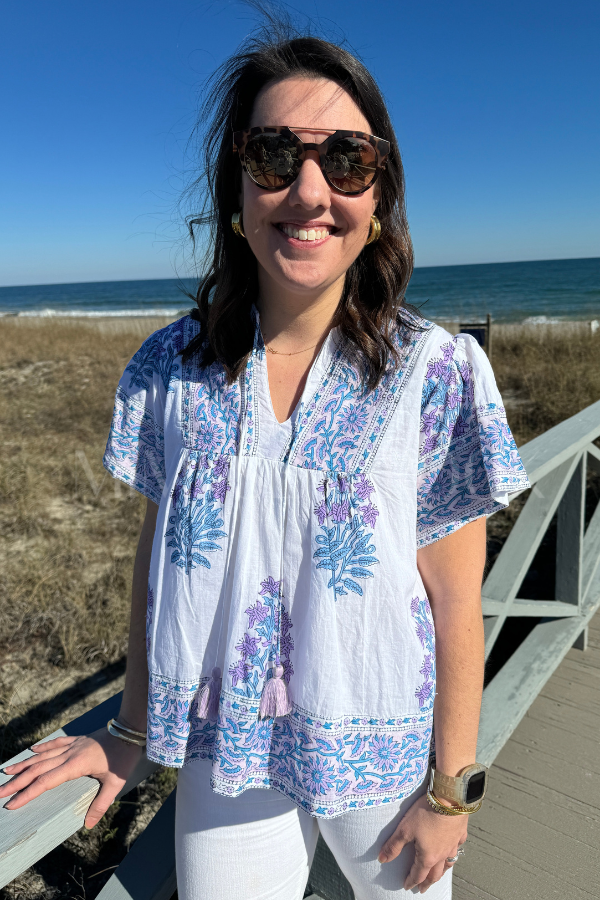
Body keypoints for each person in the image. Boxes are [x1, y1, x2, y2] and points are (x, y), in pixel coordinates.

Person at [0, 31, 529, 900]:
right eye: (275, 155)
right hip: (226, 752)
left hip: (388, 762)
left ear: (379, 196)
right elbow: (155, 560)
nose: (310, 191)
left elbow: (456, 599)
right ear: (237, 190)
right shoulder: (172, 368)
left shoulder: (435, 373)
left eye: (348, 160)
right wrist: (128, 733)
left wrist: (451, 789)